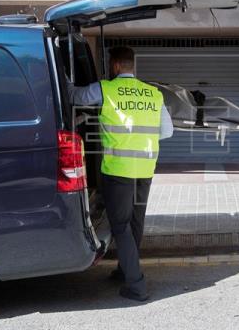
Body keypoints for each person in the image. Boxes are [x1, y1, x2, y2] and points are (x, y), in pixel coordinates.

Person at [67, 46, 173, 301]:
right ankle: (125, 269)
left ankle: (136, 284)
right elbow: (167, 131)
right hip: (145, 169)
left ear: (115, 66)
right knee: (135, 223)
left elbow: (73, 95)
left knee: (120, 225)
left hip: (118, 171)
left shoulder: (106, 89)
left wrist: (62, 73)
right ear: (132, 65)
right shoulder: (153, 93)